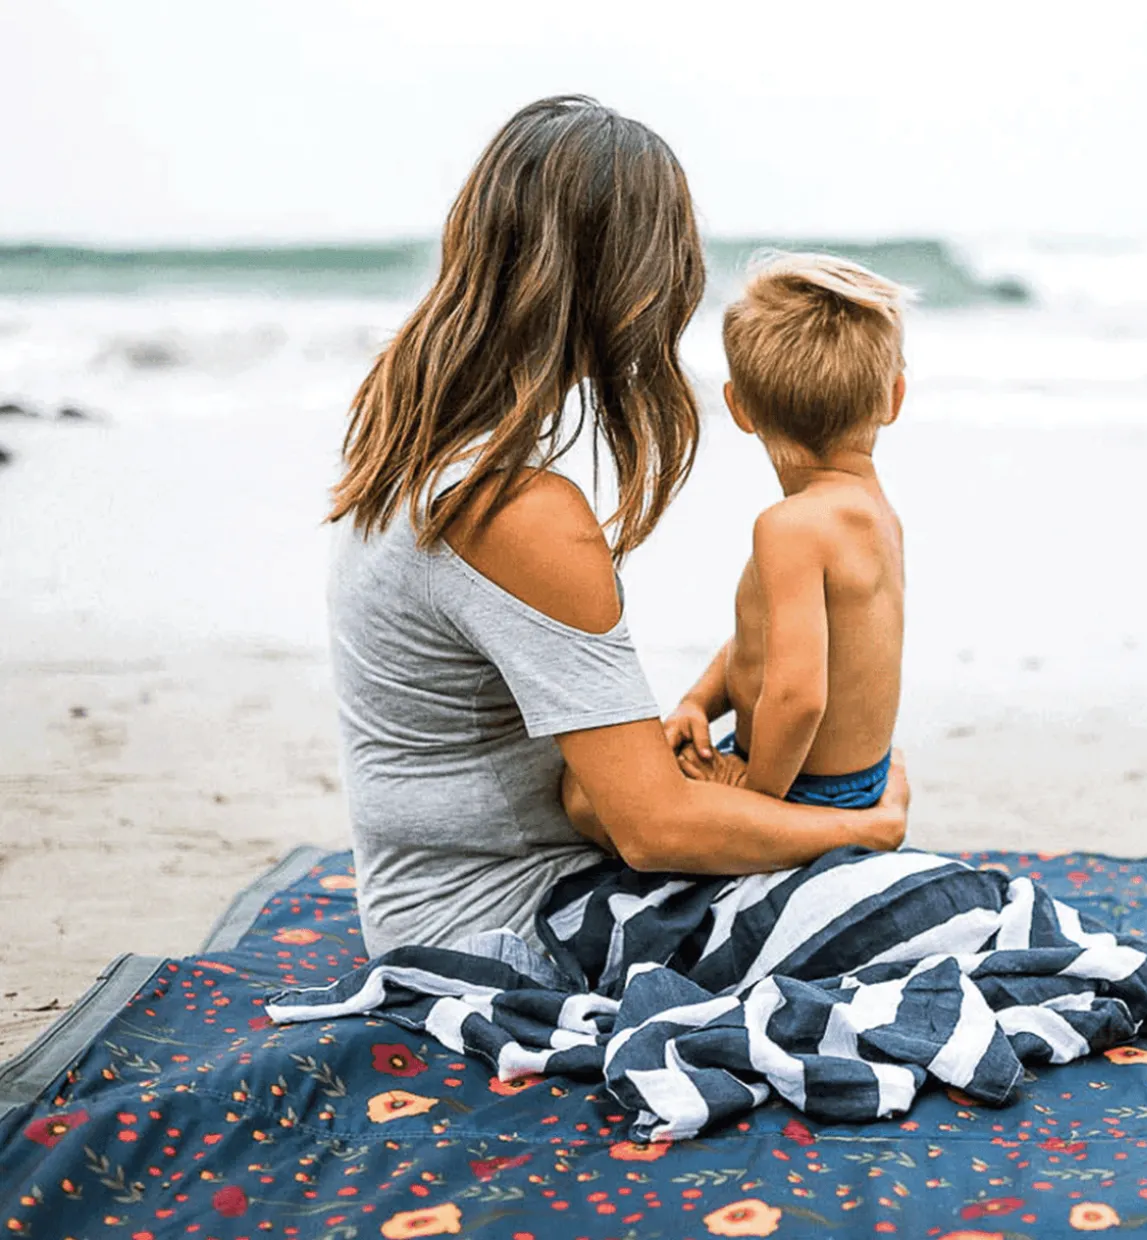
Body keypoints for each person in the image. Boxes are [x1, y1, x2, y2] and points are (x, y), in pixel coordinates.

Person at [326, 95, 908, 959]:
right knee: (930, 910)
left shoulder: (416, 433)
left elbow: (619, 796)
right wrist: (869, 829)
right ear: (630, 281)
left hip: (453, 885)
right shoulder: (516, 510)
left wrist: (675, 739)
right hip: (502, 924)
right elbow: (653, 832)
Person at [664, 254, 907, 810]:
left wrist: (755, 797)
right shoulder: (874, 510)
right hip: (851, 775)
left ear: (739, 407)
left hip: (798, 787)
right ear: (894, 397)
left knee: (589, 799)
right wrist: (696, 703)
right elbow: (767, 640)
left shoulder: (789, 528)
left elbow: (797, 696)